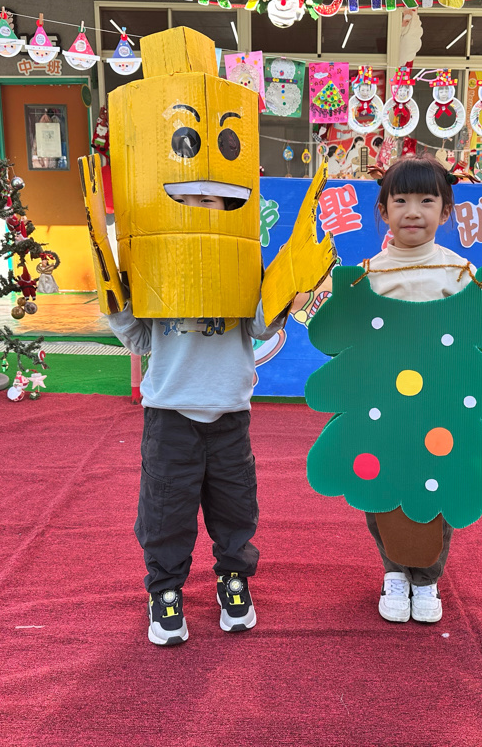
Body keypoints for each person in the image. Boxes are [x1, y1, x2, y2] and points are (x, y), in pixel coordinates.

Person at [109, 191, 288, 646]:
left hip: (229, 411)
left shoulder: (243, 256)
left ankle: (233, 577)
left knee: (235, 505)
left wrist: (286, 288)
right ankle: (165, 589)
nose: (197, 207)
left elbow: (261, 326)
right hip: (170, 412)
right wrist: (115, 301)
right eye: (185, 198)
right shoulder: (156, 258)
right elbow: (140, 341)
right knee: (165, 510)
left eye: (209, 198)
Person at [362, 155, 482, 624]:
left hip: (442, 408)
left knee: (439, 484)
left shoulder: (459, 273)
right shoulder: (367, 273)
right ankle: (394, 572)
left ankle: (428, 577)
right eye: (400, 201)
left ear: (446, 210)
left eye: (427, 200)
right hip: (385, 409)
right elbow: (351, 340)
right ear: (383, 210)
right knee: (382, 483)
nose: (413, 211)